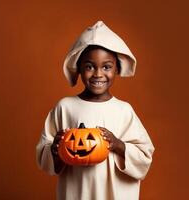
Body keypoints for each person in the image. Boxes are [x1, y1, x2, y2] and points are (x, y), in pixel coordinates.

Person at [36, 21, 155, 200]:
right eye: (90, 66)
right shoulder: (65, 107)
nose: (98, 74)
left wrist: (118, 144)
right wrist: (55, 149)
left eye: (106, 67)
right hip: (77, 192)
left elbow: (144, 155)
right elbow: (45, 158)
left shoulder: (123, 110)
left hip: (115, 193)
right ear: (79, 68)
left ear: (117, 69)